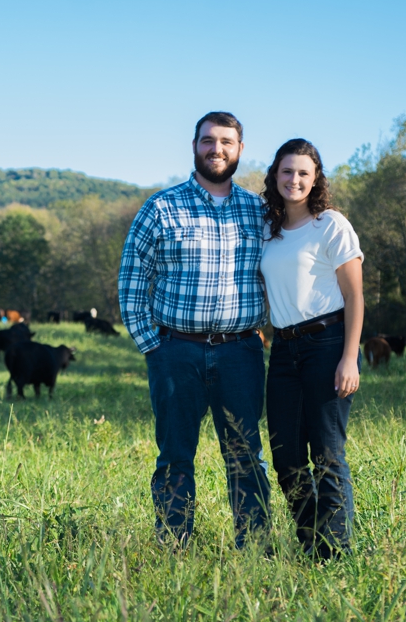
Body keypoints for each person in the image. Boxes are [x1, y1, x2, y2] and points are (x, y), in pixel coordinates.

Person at [118, 112, 271, 549]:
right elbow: (132, 279)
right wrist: (153, 347)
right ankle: (173, 543)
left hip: (240, 352)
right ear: (194, 146)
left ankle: (255, 547)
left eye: (226, 142)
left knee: (246, 456)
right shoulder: (161, 207)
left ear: (240, 149)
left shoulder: (259, 211)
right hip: (175, 352)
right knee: (174, 456)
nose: (216, 149)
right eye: (208, 140)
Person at [259, 138, 364, 560]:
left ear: (315, 177)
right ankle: (311, 542)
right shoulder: (270, 231)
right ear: (275, 175)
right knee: (286, 458)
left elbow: (355, 296)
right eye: (287, 171)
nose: (295, 179)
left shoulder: (331, 225)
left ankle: (334, 554)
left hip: (327, 343)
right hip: (283, 351)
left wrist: (350, 357)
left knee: (326, 454)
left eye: (304, 172)